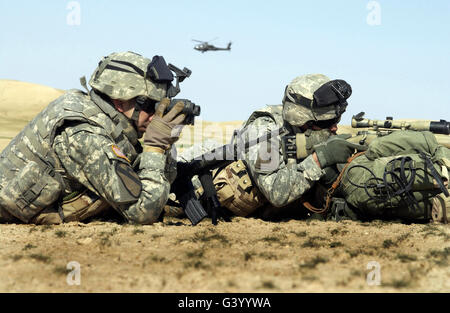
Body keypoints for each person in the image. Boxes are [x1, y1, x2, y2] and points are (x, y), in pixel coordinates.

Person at [0, 51, 189, 225]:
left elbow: (152, 182)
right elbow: (143, 212)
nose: (156, 116)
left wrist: (166, 148)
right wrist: (155, 146)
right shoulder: (84, 133)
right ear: (120, 101)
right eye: (150, 106)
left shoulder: (109, 125)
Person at [176, 74, 367, 221]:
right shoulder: (265, 130)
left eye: (337, 120)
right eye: (328, 122)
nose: (334, 127)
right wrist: (319, 159)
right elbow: (276, 193)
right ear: (303, 119)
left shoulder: (303, 131)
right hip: (185, 192)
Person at [319, 129, 450, 224]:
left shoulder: (353, 203)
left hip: (435, 205)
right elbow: (379, 146)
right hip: (434, 174)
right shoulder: (358, 163)